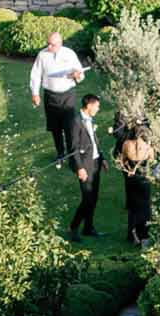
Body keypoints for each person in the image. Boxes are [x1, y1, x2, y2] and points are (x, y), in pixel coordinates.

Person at [29, 30, 85, 166]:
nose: (49, 47)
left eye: (52, 44)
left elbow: (81, 74)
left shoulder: (69, 54)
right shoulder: (42, 55)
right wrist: (35, 93)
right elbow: (35, 74)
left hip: (67, 95)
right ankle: (61, 154)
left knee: (70, 127)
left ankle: (73, 157)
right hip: (50, 96)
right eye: (48, 43)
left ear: (60, 43)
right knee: (55, 128)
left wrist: (77, 76)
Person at [67, 92, 103, 242]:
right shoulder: (76, 121)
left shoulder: (89, 119)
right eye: (97, 106)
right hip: (85, 165)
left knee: (94, 198)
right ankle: (73, 228)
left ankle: (88, 227)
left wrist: (102, 158)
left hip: (95, 162)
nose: (98, 109)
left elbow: (93, 141)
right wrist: (79, 168)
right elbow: (73, 148)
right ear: (89, 106)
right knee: (87, 199)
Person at [114, 116, 154, 247]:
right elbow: (152, 160)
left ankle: (131, 235)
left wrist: (128, 169)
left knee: (133, 208)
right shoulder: (148, 147)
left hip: (131, 178)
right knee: (145, 209)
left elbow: (121, 159)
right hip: (143, 179)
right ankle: (144, 237)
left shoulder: (126, 144)